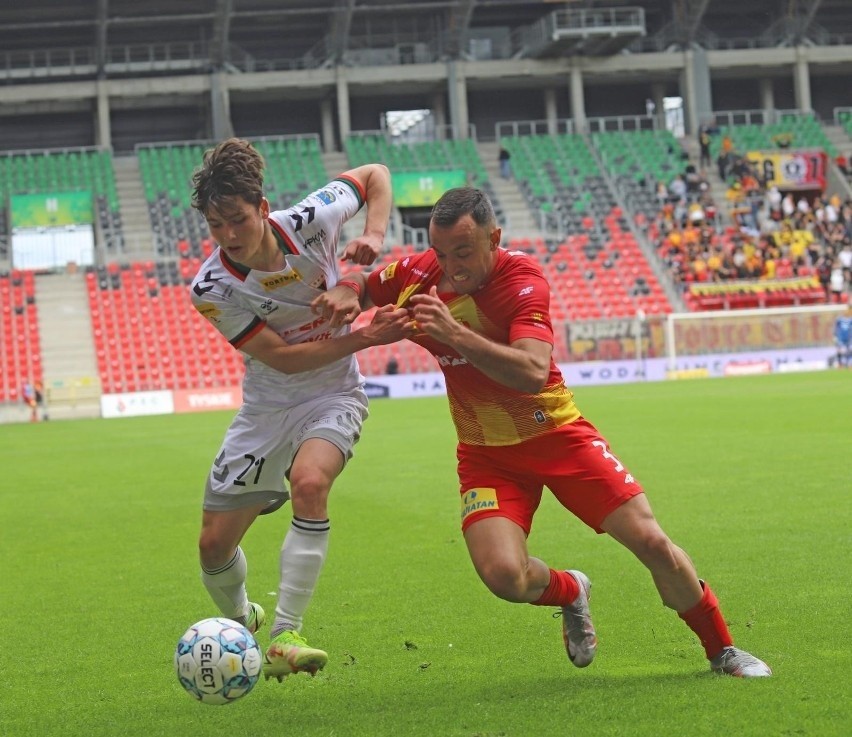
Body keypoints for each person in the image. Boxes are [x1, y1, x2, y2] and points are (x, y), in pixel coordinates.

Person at [347, 186, 771, 678]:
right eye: (441, 253)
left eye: (463, 252)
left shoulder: (522, 279)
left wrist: (454, 334)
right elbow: (361, 287)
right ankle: (572, 590)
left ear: (494, 237)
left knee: (652, 543)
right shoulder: (419, 273)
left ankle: (722, 650)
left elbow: (530, 371)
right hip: (487, 454)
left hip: (557, 436)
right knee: (503, 576)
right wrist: (345, 294)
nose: (451, 266)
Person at [188, 138, 412, 683]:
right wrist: (365, 337)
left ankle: (286, 633)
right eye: (216, 225)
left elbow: (376, 173)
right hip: (268, 407)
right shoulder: (211, 286)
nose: (229, 236)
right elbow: (284, 361)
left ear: (263, 209)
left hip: (333, 394)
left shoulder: (311, 218)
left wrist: (373, 237)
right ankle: (244, 618)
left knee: (311, 484)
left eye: (238, 220)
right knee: (213, 548)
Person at [834, 301, 852, 368]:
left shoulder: (851, 319)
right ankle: (840, 364)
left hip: (849, 337)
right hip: (841, 337)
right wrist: (835, 336)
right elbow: (835, 327)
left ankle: (849, 364)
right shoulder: (839, 319)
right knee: (839, 350)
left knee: (850, 350)